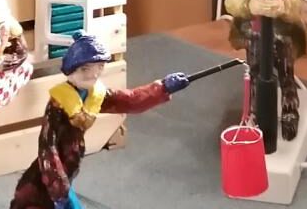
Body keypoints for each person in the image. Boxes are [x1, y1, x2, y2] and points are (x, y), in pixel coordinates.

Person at [10, 33, 191, 209]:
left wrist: (163, 88)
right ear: (71, 69)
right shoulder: (59, 104)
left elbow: (129, 100)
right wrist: (59, 191)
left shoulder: (93, 96)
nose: (93, 74)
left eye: (99, 67)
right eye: (85, 69)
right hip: (49, 178)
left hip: (66, 169)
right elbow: (48, 148)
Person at [225, 0, 307, 140]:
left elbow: (297, 7)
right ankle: (256, 113)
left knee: (286, 76)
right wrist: (250, 6)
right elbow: (232, 1)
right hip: (256, 37)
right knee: (255, 74)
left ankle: (289, 111)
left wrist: (282, 7)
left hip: (283, 38)